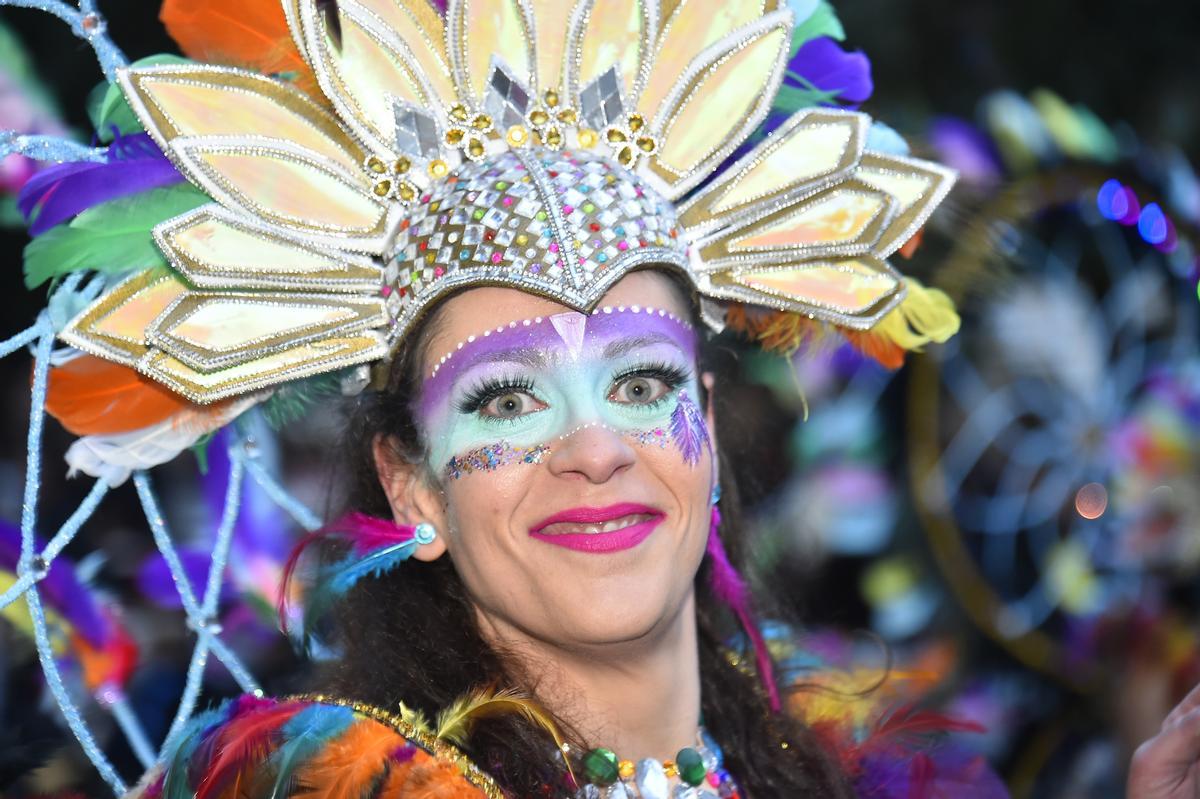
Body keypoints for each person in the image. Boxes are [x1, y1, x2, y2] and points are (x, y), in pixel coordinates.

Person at [7, 0, 1198, 796]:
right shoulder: (336, 780)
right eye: (506, 401)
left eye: (640, 382)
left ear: (710, 439)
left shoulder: (853, 745)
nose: (596, 449)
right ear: (409, 479)